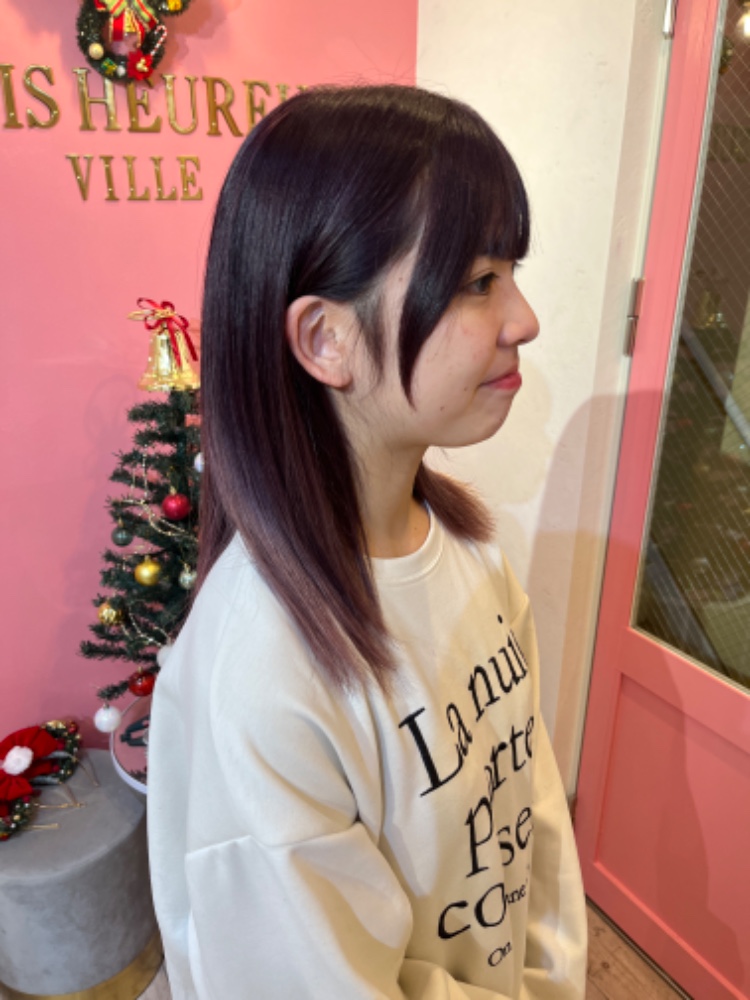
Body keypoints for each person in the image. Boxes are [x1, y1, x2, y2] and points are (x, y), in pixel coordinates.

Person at [147, 84, 588, 999]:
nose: (525, 319)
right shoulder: (262, 675)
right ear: (327, 339)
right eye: (477, 281)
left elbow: (531, 804)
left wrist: (555, 975)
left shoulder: (472, 552)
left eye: (510, 272)